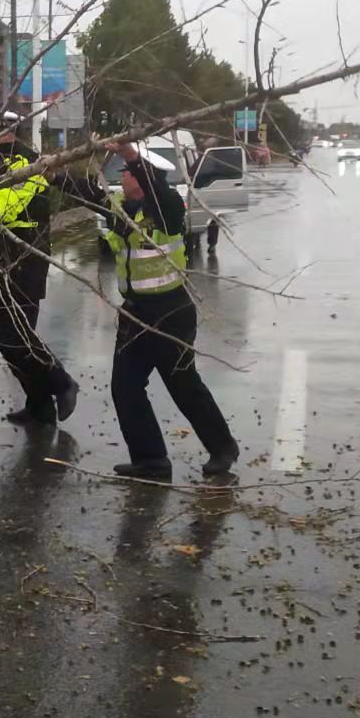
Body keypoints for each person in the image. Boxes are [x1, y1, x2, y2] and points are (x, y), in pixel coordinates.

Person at [98, 141, 241, 481]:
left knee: (183, 384)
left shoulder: (168, 205)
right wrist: (52, 172)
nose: (120, 175)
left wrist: (134, 156)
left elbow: (159, 194)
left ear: (142, 176)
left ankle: (223, 447)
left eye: (126, 170)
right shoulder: (123, 207)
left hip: (170, 311)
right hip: (134, 313)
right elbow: (88, 193)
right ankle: (151, 460)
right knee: (125, 387)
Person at [0, 120, 81, 426]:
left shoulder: (28, 165)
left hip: (22, 262)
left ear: (6, 133)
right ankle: (40, 406)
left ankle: (61, 381)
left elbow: (1, 210)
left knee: (17, 337)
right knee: (5, 337)